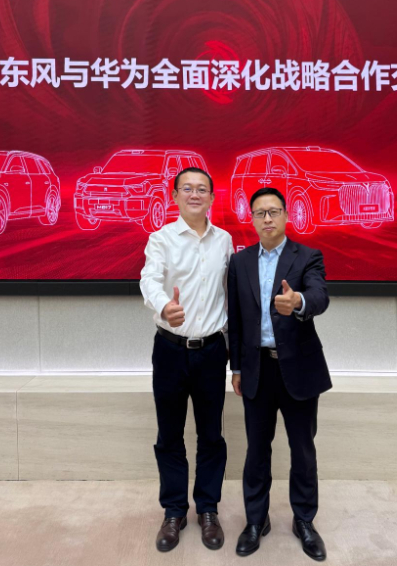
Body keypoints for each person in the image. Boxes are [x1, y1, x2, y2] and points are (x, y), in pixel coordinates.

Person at [228, 187, 332, 561]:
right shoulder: (239, 262)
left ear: (287, 215)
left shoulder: (307, 256)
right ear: (252, 219)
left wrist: (298, 301)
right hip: (256, 370)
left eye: (274, 211)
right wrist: (236, 367)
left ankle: (304, 521)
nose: (267, 218)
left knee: (302, 450)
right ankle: (256, 521)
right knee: (257, 450)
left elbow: (319, 296)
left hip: (299, 369)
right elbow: (236, 319)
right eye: (260, 213)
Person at [140, 167, 234, 553]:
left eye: (202, 189)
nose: (194, 194)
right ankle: (174, 511)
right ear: (175, 196)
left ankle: (208, 509)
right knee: (170, 435)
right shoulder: (160, 239)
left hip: (211, 351)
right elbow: (149, 279)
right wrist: (165, 306)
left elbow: (232, 293)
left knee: (211, 435)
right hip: (170, 351)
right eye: (187, 188)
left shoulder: (225, 241)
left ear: (211, 197)